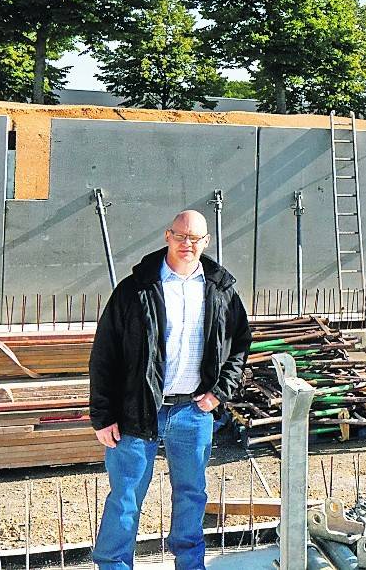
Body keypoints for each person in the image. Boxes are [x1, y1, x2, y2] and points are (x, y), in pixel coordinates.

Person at [89, 210, 252, 570]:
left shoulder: (220, 290)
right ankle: (113, 565)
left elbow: (240, 342)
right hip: (137, 410)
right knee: (127, 495)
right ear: (167, 236)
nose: (187, 244)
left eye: (195, 238)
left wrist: (219, 393)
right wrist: (102, 415)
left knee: (191, 494)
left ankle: (190, 564)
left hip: (192, 412)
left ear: (206, 242)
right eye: (180, 236)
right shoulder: (136, 289)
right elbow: (105, 353)